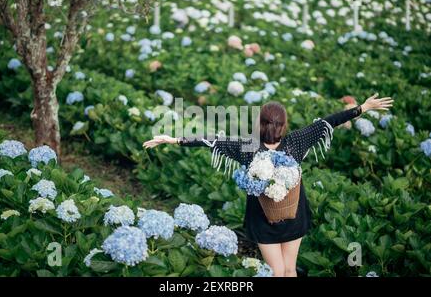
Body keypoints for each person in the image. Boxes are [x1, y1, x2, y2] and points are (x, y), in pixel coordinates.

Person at [143, 93, 394, 277]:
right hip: (295, 215)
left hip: (263, 219)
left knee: (276, 272)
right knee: (288, 270)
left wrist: (173, 139)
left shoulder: (247, 146)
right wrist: (363, 107)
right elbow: (330, 121)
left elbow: (211, 140)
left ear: (259, 124)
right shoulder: (297, 140)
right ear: (283, 125)